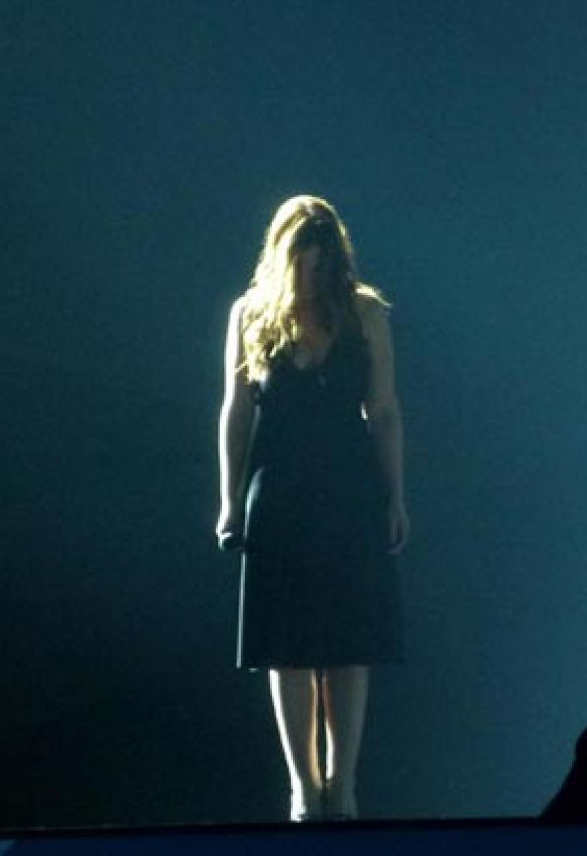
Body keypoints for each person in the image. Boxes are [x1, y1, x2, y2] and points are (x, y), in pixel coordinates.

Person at [216, 195, 407, 821]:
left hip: (348, 490)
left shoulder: (364, 313)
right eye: (305, 260)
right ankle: (304, 785)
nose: (315, 274)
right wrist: (229, 501)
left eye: (325, 261)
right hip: (280, 490)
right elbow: (237, 411)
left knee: (348, 644)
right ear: (284, 255)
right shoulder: (250, 314)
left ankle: (343, 783)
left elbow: (382, 409)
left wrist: (394, 494)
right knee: (288, 645)